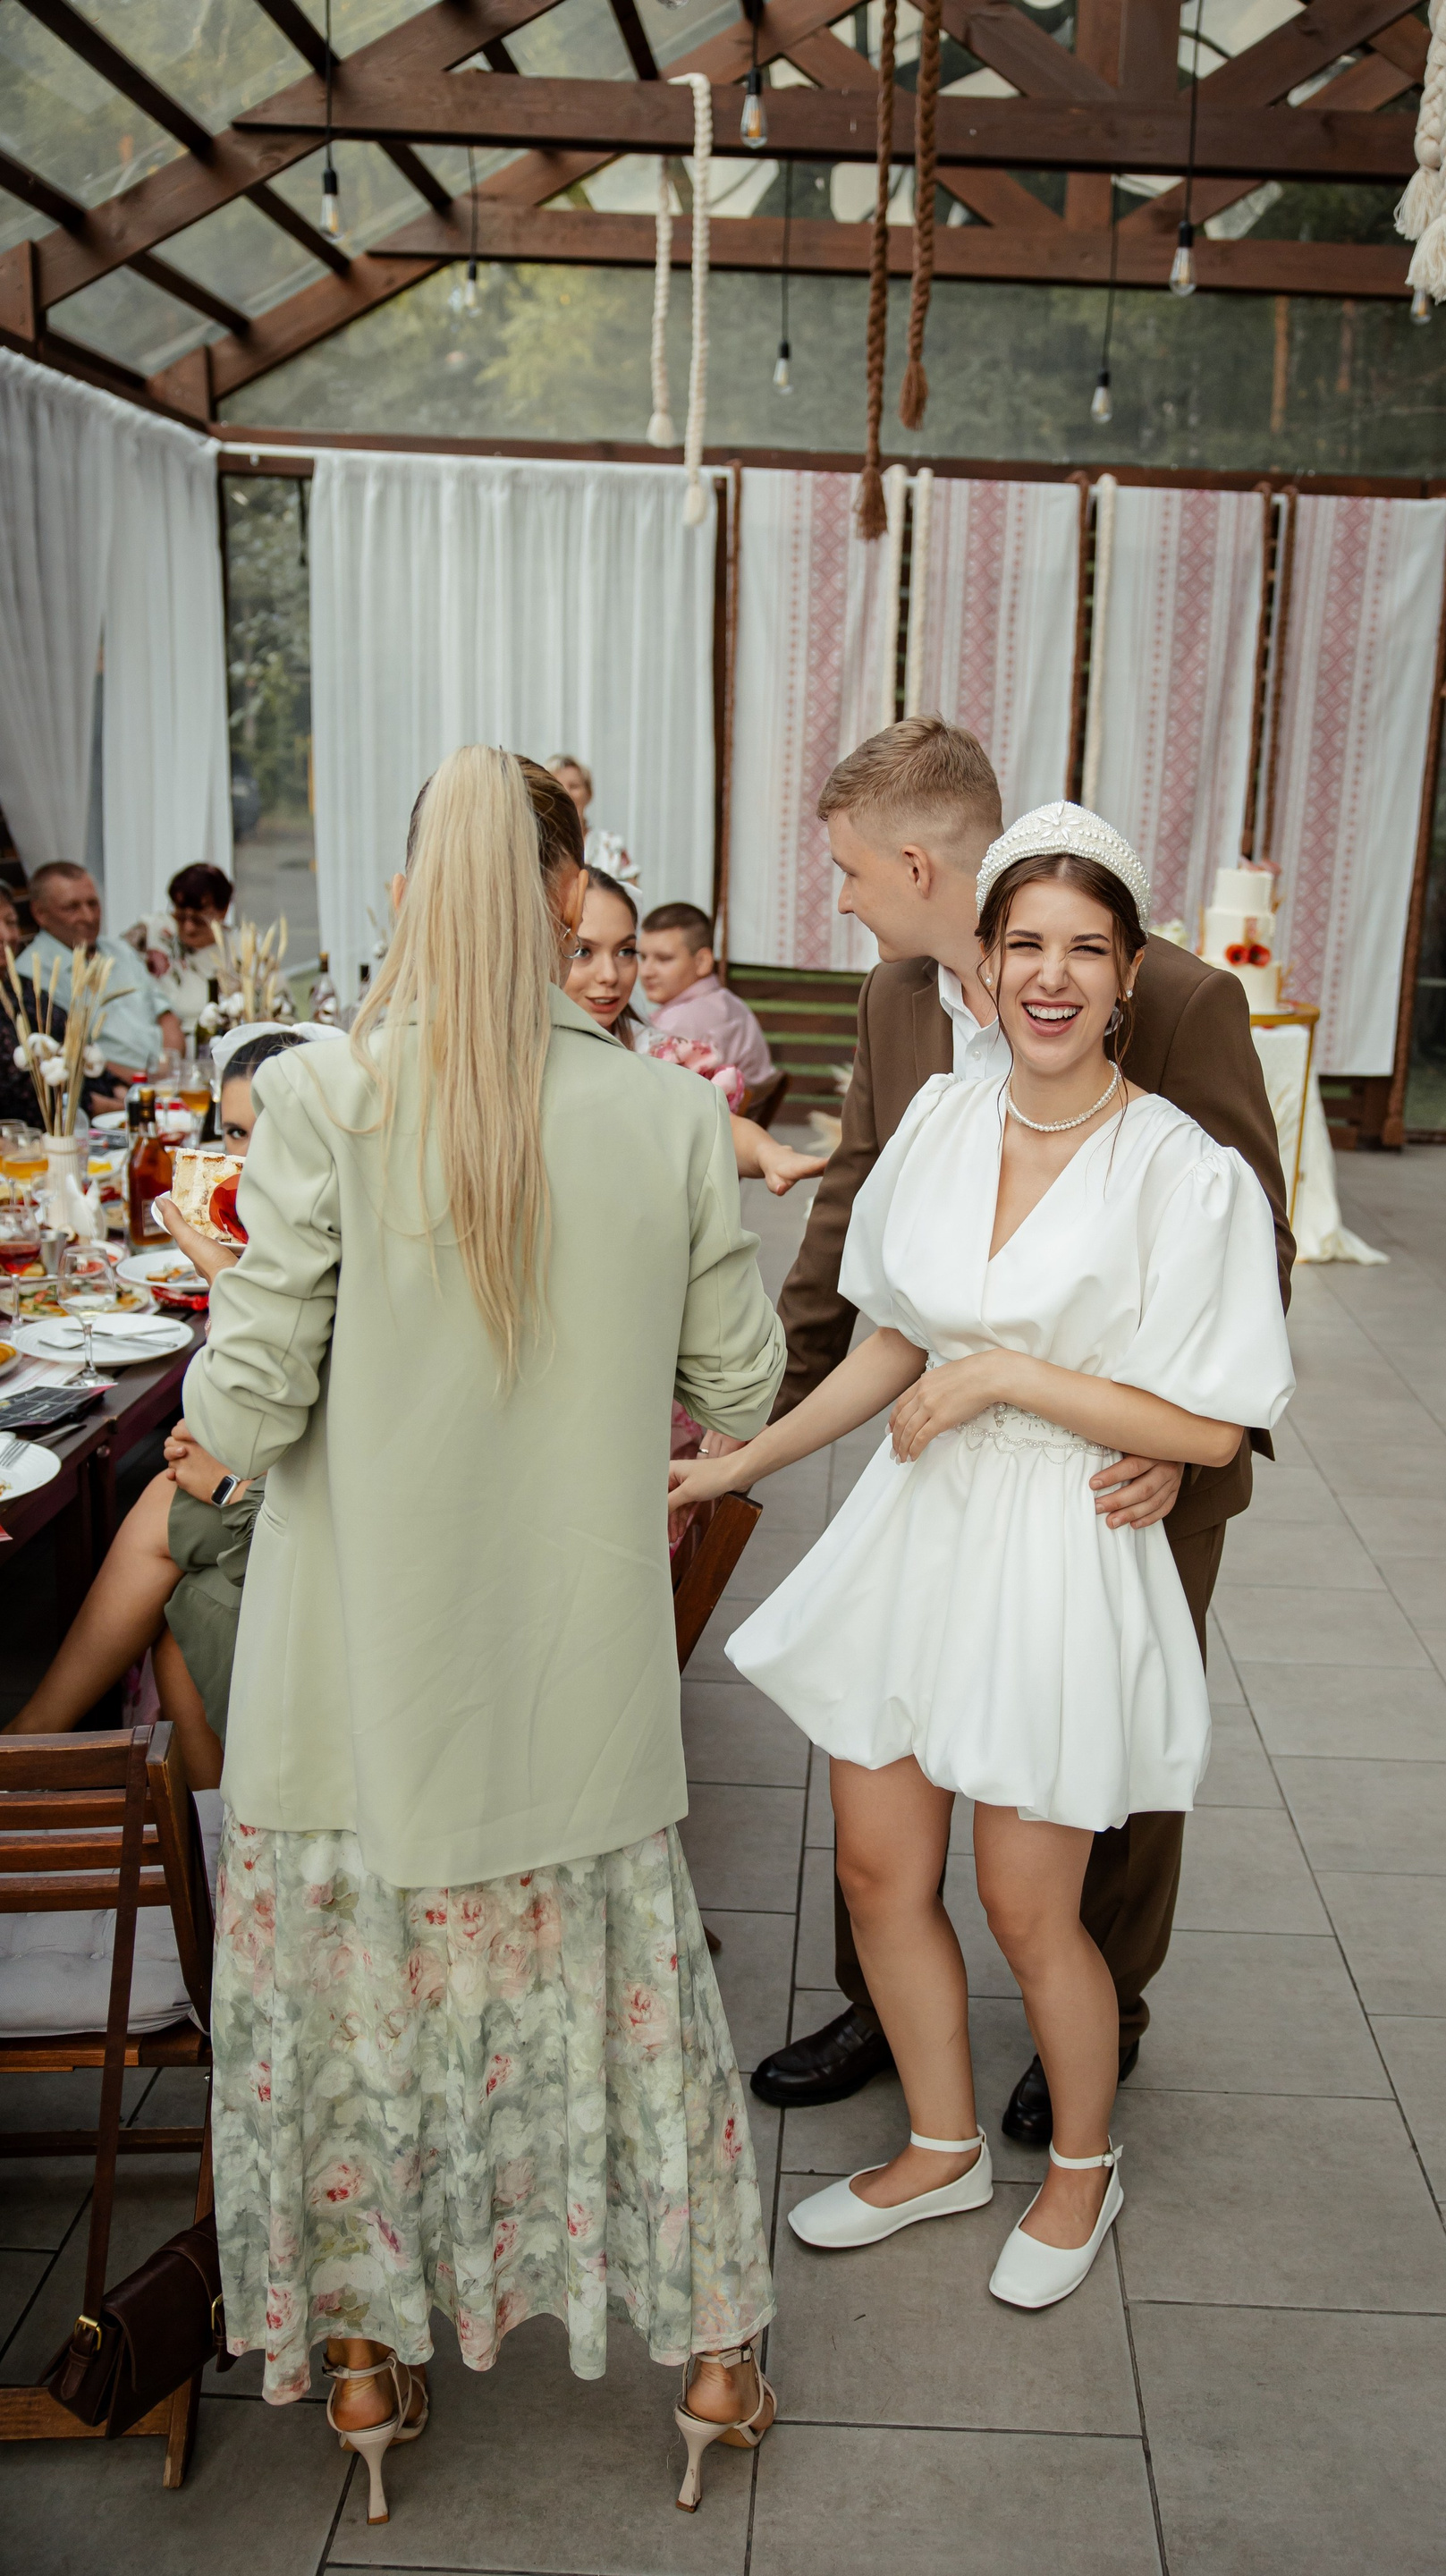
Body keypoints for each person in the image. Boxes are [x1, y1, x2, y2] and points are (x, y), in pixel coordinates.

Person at [184, 746, 784, 2519]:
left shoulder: (322, 1099)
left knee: (355, 2027)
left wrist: (223, 1309)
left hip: (356, 1694)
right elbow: (742, 1388)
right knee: (624, 2018)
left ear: (411, 890)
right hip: (572, 1695)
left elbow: (247, 1411)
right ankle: (718, 2365)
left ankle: (366, 2367)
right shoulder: (668, 1115)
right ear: (566, 895)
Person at [670, 809, 1294, 2310]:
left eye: (1085, 948)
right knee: (880, 1872)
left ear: (1129, 972)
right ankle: (941, 2147)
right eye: (1026, 946)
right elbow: (895, 1339)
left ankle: (1081, 2169)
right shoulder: (946, 1120)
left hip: (1061, 1546)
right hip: (919, 1530)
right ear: (991, 963)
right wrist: (743, 1462)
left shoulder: (1179, 1168)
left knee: (1029, 1903)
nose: (1051, 975)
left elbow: (1211, 1423)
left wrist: (1011, 1376)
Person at [2, 1026, 331, 1782]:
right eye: (236, 1133)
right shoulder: (285, 1243)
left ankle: (33, 1739)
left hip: (332, 1530)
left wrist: (226, 1480)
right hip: (295, 1496)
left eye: (272, 1131)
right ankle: (42, 1743)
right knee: (171, 1536)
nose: (248, 1157)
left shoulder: (338, 1255)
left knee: (166, 1518)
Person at [562, 864, 824, 1198]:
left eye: (625, 951)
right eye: (583, 951)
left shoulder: (659, 1052)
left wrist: (768, 1153)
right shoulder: (515, 1054)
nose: (610, 975)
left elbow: (713, 1125)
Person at [13, 861, 166, 1079]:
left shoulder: (120, 949)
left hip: (168, 1078)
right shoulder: (31, 975)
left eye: (93, 904)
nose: (89, 917)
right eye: (72, 907)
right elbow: (67, 1054)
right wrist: (145, 1082)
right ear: (40, 913)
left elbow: (166, 1015)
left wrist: (171, 1067)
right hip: (116, 1087)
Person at [639, 903, 775, 1098]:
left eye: (664, 959)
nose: (646, 971)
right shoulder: (729, 1003)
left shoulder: (678, 1022)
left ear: (702, 961)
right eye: (643, 957)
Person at [130, 861, 234, 1056]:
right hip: (159, 1054)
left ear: (224, 910)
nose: (188, 927)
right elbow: (112, 959)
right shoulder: (155, 932)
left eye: (199, 919)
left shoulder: (243, 950)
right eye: (180, 916)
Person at [546, 754, 637, 886]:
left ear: (589, 794)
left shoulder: (612, 845)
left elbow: (633, 895)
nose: (566, 794)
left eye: (574, 786)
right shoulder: (537, 844)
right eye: (557, 786)